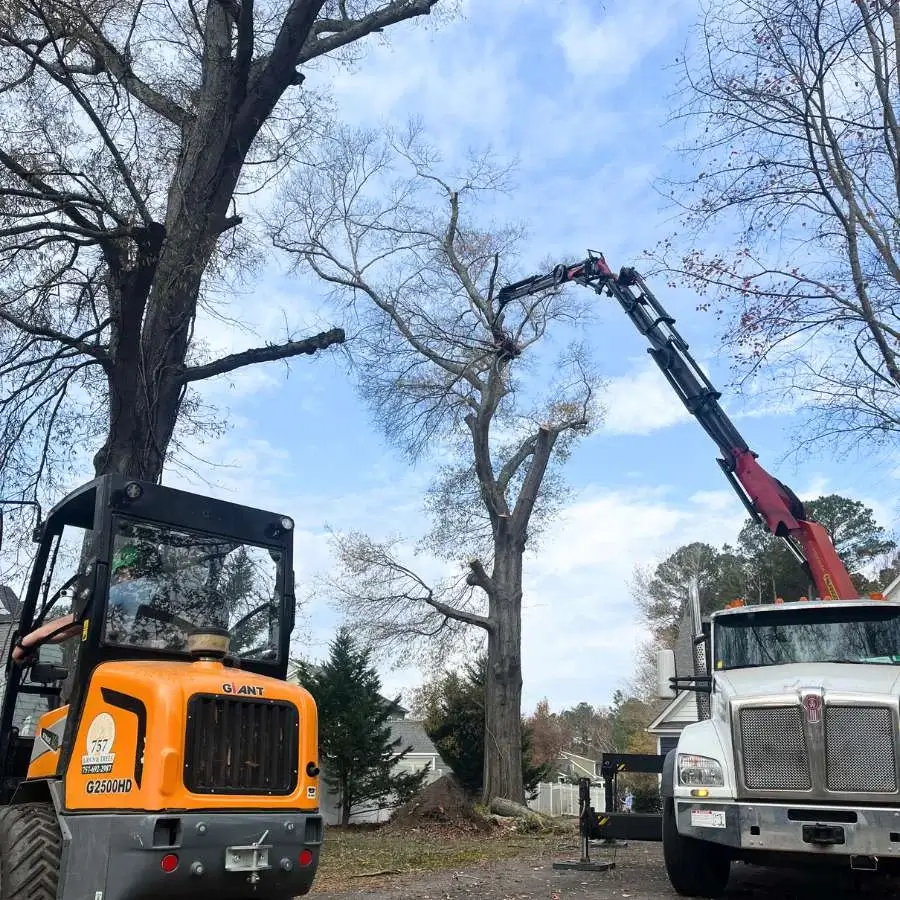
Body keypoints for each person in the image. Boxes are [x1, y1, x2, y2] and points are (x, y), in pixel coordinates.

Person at [11, 542, 165, 665]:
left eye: (121, 573)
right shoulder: (168, 592)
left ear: (133, 569)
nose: (119, 580)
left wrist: (27, 642)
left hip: (131, 668)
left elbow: (71, 625)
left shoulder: (127, 590)